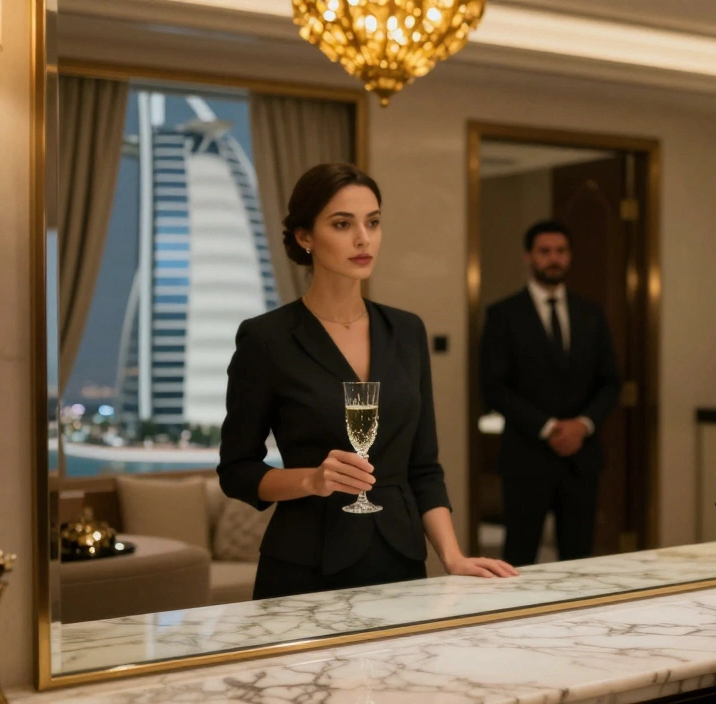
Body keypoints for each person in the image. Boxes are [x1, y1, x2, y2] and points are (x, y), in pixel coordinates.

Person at [218, 162, 516, 600]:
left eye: (373, 223)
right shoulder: (267, 339)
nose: (363, 238)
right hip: (305, 566)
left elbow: (424, 467)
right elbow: (236, 470)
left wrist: (451, 557)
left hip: (399, 559)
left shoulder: (407, 331)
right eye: (342, 224)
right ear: (305, 237)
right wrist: (310, 481)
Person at [479, 220, 621, 566]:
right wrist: (548, 427)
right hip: (526, 455)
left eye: (560, 251)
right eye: (545, 251)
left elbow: (611, 381)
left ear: (569, 257)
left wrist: (582, 425)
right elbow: (492, 387)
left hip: (581, 457)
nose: (553, 259)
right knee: (520, 555)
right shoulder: (503, 315)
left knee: (579, 558)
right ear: (529, 257)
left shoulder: (591, 314)